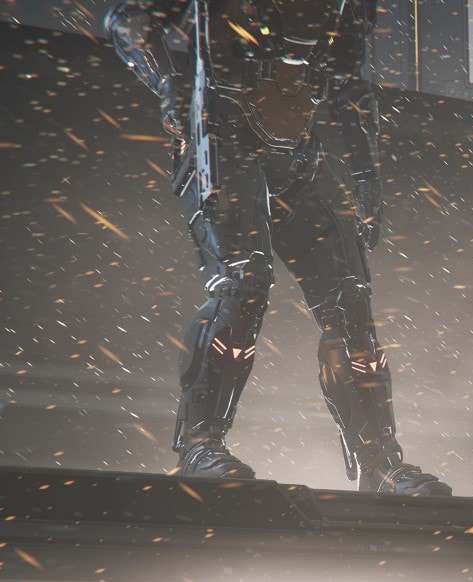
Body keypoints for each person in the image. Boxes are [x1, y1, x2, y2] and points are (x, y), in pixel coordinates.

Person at [103, 0, 448, 494]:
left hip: (298, 151)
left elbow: (347, 81)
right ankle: (200, 444)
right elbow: (129, 20)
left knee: (350, 303)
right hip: (222, 135)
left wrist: (366, 172)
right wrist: (170, 83)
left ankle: (378, 462)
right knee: (242, 284)